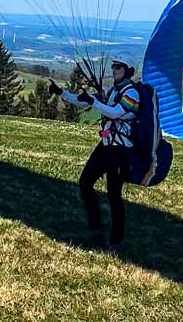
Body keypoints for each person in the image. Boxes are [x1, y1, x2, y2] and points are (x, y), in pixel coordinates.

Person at [52, 60, 141, 255]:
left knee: (113, 195)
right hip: (106, 146)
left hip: (121, 150)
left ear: (127, 71)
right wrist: (62, 93)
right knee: (85, 183)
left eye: (118, 67)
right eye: (113, 67)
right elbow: (84, 100)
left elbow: (115, 113)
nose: (114, 70)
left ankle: (116, 242)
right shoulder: (111, 92)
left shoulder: (131, 94)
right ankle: (96, 230)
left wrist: (94, 102)